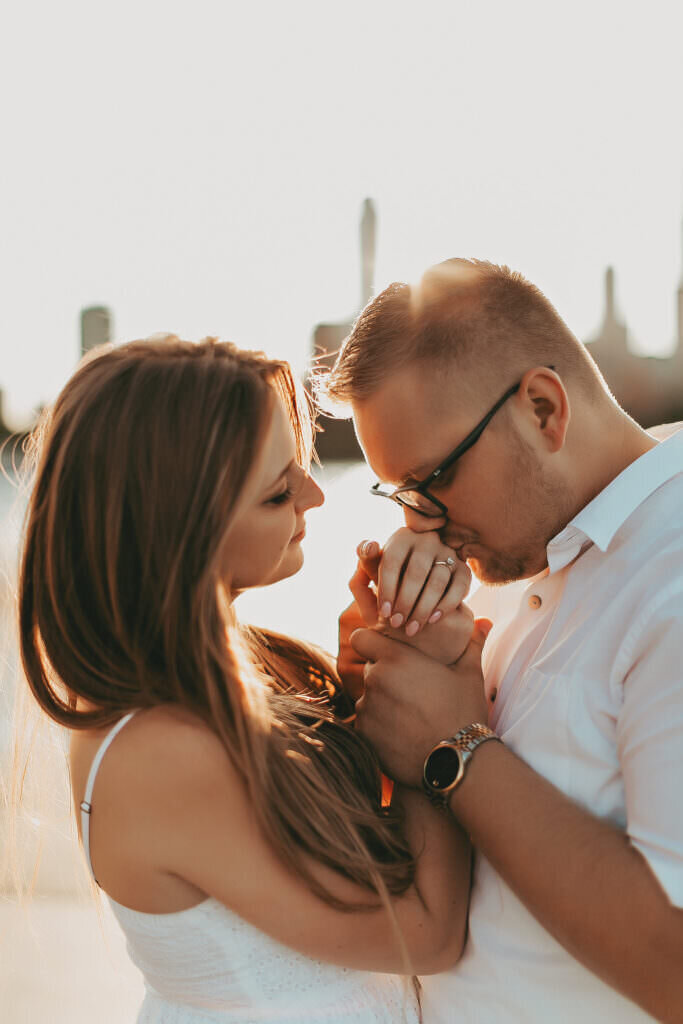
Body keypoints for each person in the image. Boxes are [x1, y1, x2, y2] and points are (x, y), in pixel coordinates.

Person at [17, 334, 479, 1024]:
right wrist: (449, 733)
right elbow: (426, 933)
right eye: (275, 492)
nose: (316, 495)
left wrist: (364, 678)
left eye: (300, 467)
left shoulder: (249, 669)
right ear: (180, 533)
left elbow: (351, 837)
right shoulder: (161, 750)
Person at [318, 260, 683, 1023]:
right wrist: (378, 686)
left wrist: (454, 751)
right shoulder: (520, 567)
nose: (420, 523)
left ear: (543, 409)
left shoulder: (670, 573)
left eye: (433, 480)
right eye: (400, 496)